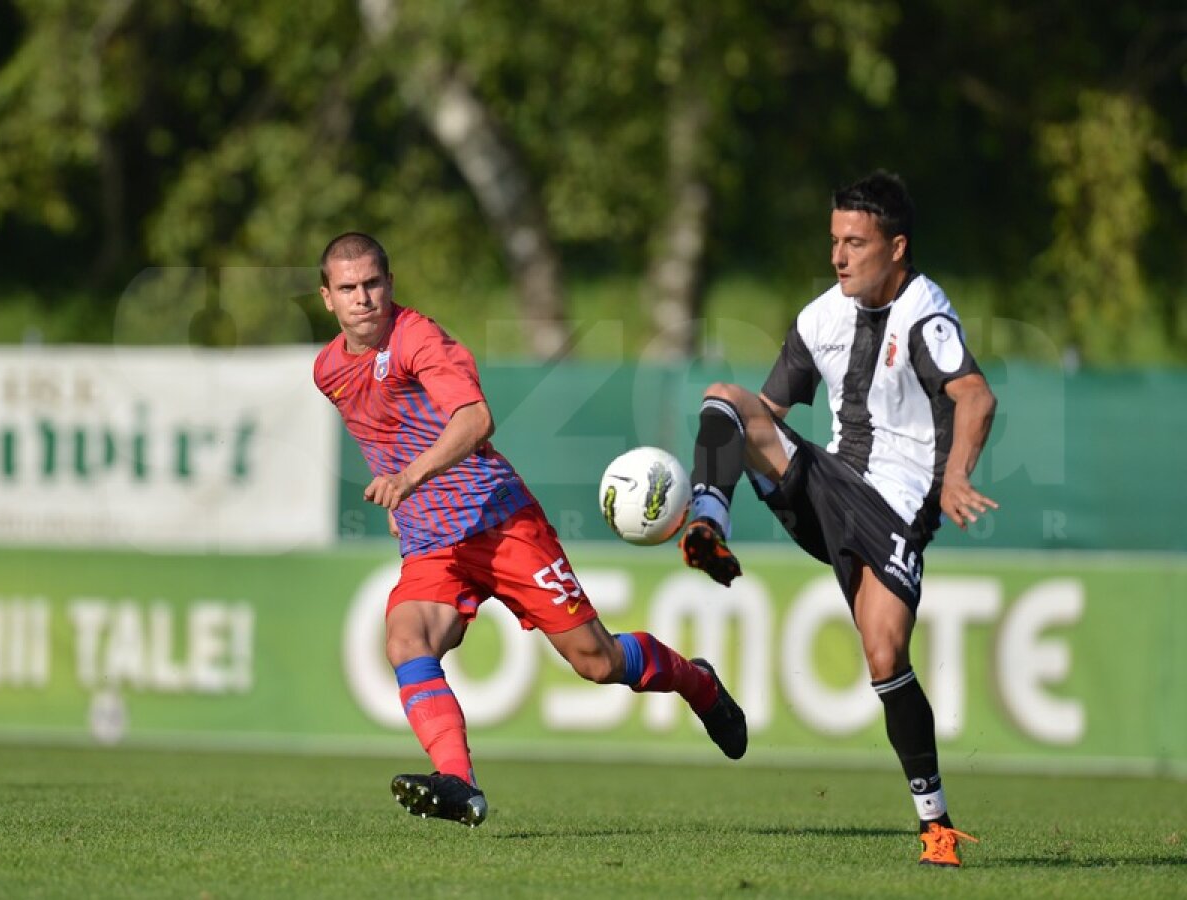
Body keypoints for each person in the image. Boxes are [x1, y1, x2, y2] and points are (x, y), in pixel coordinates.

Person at [313, 232, 747, 828]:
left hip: (500, 521)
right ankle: (459, 784)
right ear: (327, 299)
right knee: (405, 641)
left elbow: (475, 418)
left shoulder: (418, 338)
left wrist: (410, 478)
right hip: (433, 544)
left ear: (390, 285)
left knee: (595, 662)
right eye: (348, 288)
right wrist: (398, 494)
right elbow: (383, 429)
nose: (363, 298)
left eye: (373, 284)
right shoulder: (329, 369)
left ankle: (698, 683)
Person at [678, 171, 997, 867]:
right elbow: (763, 419)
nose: (839, 256)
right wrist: (730, 466)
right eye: (834, 241)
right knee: (726, 400)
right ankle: (707, 523)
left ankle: (935, 827)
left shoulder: (925, 312)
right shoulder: (821, 316)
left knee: (885, 655)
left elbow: (974, 396)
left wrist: (956, 475)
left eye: (856, 242)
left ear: (897, 247)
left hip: (897, 509)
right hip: (830, 488)